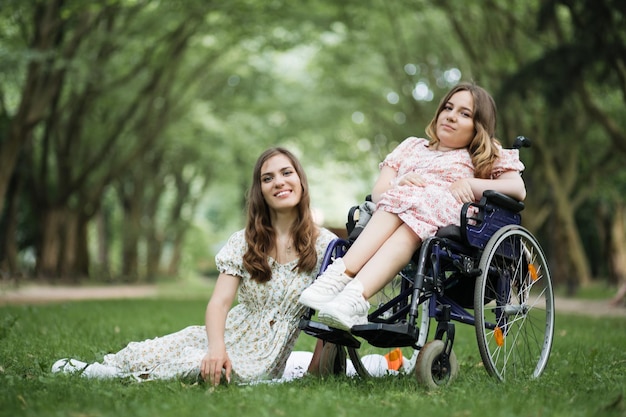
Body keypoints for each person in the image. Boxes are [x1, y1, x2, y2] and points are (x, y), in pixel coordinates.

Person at [51, 147, 337, 386]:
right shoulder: (245, 241)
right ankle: (103, 369)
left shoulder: (325, 245)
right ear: (260, 190)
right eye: (268, 178)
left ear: (300, 180)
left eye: (287, 173)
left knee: (198, 366)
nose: (279, 182)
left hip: (263, 356)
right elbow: (219, 303)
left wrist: (312, 375)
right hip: (227, 333)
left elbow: (330, 320)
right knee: (153, 349)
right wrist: (216, 347)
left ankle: (110, 377)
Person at [298, 82, 527, 331]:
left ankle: (346, 287)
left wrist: (469, 183)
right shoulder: (411, 147)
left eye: (464, 113)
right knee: (406, 205)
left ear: (478, 126)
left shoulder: (484, 153)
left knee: (415, 208)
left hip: (449, 216)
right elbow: (378, 194)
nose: (451, 116)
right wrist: (399, 183)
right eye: (448, 108)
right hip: (399, 213)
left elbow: (517, 189)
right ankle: (344, 288)